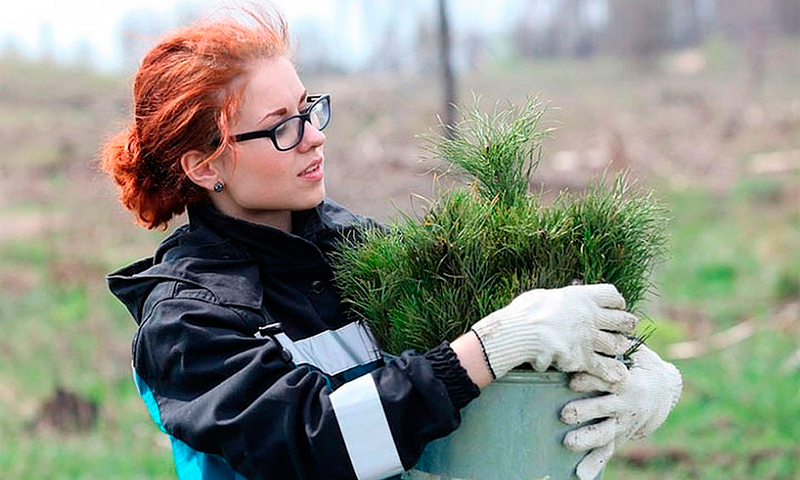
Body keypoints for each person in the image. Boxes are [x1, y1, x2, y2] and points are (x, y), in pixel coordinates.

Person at [102, 8, 681, 480]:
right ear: (205, 167)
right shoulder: (188, 322)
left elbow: (502, 336)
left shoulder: (357, 249)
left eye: (308, 109)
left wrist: (641, 378)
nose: (314, 136)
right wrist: (489, 347)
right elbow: (318, 443)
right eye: (281, 125)